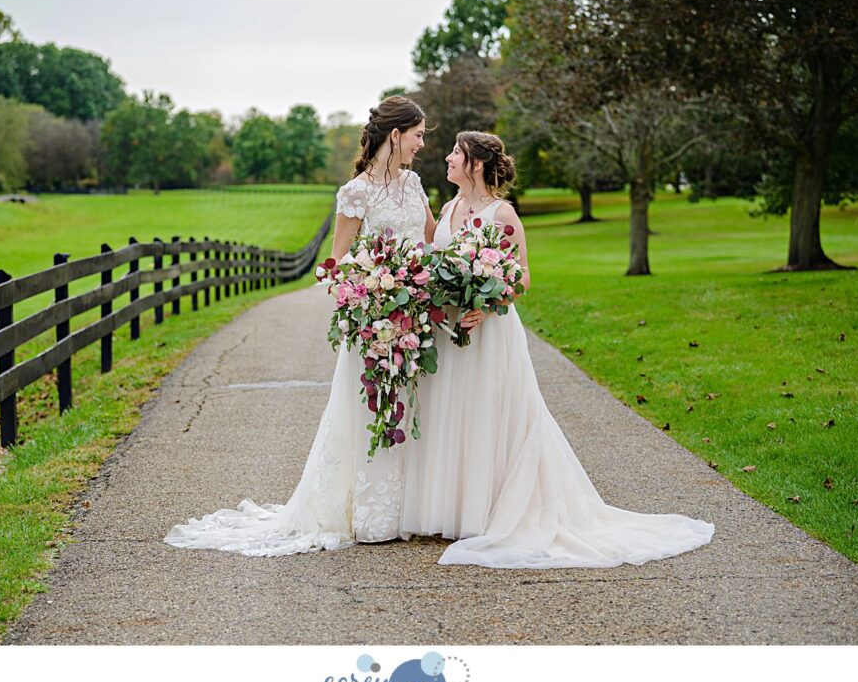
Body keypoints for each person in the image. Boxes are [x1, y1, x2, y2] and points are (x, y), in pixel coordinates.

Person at [399, 131, 716, 568]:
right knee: (453, 412)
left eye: (457, 153)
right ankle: (455, 510)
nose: (448, 158)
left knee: (490, 412)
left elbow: (523, 277)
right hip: (451, 332)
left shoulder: (502, 213)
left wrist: (487, 307)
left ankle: (493, 510)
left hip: (489, 332)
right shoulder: (449, 208)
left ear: (475, 165)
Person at [165, 96, 437, 555]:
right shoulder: (356, 192)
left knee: (412, 407)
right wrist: (371, 290)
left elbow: (429, 239)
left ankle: (411, 507)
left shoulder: (414, 184)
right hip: (372, 319)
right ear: (396, 134)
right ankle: (369, 513)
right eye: (418, 134)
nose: (422, 144)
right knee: (369, 409)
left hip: (414, 315)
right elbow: (335, 263)